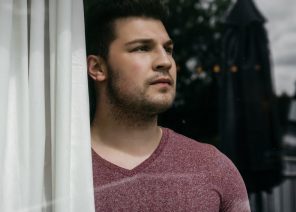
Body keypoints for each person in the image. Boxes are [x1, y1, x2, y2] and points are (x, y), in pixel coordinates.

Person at [85, 0, 250, 211]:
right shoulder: (58, 169)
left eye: (168, 49)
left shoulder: (214, 169)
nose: (165, 61)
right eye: (142, 48)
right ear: (98, 67)